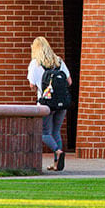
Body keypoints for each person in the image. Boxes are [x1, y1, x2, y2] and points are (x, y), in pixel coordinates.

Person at [27, 36, 72, 171]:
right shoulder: (58, 61)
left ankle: (58, 151)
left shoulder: (35, 63)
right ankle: (56, 163)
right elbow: (69, 82)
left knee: (44, 132)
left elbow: (32, 85)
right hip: (61, 103)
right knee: (56, 131)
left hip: (46, 103)